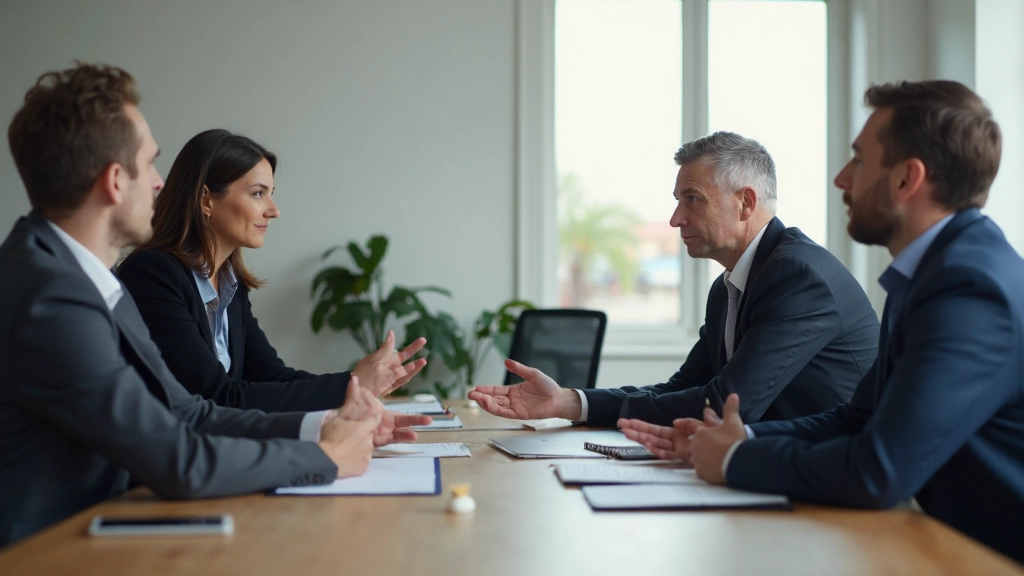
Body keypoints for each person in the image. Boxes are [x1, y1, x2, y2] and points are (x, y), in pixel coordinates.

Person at [0, 63, 426, 547]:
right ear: (116, 181)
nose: (160, 183)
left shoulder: (73, 274)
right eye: (150, 164)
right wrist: (326, 458)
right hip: (44, 552)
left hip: (95, 532)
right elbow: (177, 459)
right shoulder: (54, 297)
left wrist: (327, 425)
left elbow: (188, 412)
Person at [621, 80, 1024, 563]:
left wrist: (733, 458)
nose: (841, 179)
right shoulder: (933, 272)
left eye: (858, 159)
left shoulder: (967, 289)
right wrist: (732, 439)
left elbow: (879, 470)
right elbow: (858, 417)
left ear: (906, 179)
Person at [470, 132, 878, 426]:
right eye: (677, 201)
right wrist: (567, 401)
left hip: (828, 485)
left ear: (745, 203)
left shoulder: (797, 276)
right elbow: (681, 388)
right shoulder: (727, 289)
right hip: (764, 470)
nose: (675, 219)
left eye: (692, 200)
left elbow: (726, 406)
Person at [118, 129, 425, 412]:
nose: (273, 210)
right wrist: (352, 385)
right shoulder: (153, 274)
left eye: (270, 193)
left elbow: (270, 376)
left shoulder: (230, 283)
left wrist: (360, 384)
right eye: (257, 193)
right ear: (206, 200)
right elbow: (213, 395)